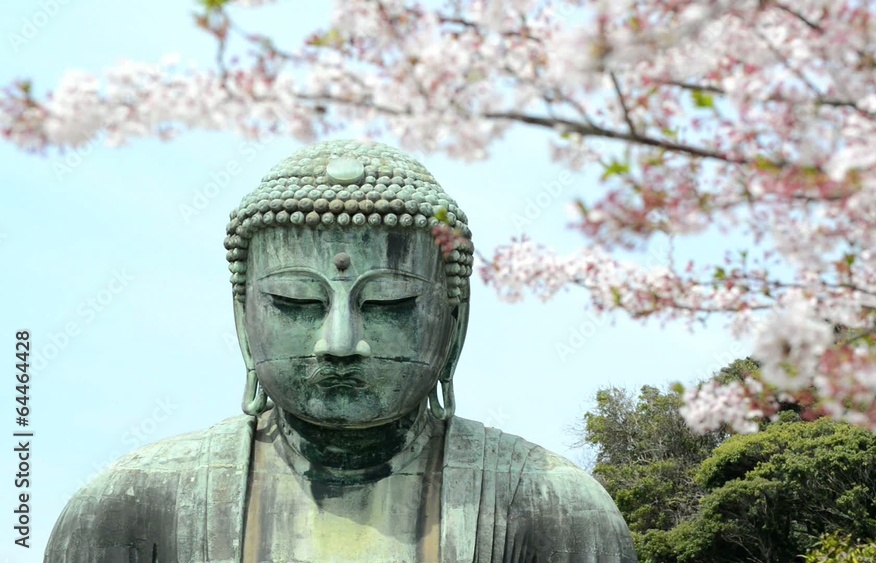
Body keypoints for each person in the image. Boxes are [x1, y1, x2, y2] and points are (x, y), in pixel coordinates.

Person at [44, 140, 638, 562]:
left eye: (389, 304)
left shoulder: (548, 510)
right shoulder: (131, 510)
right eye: (297, 301)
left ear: (452, 321)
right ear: (242, 317)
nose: (339, 344)